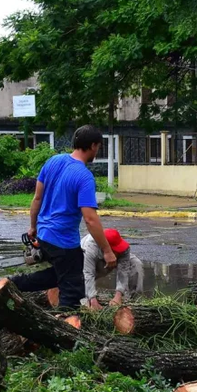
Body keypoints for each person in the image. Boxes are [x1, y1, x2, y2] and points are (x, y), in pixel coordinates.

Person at [9, 125, 117, 309]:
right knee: (73, 289)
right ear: (92, 146)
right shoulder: (84, 177)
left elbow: (37, 198)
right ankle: (66, 323)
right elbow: (90, 219)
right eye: (98, 146)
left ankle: (14, 284)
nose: (97, 151)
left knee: (63, 274)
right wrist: (107, 251)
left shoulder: (53, 161)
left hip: (44, 235)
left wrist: (33, 227)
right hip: (63, 241)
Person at [81, 228, 144, 309]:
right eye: (116, 250)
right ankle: (86, 299)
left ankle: (133, 301)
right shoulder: (89, 248)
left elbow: (123, 271)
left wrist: (118, 295)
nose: (119, 252)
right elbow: (88, 274)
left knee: (135, 263)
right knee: (82, 285)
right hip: (88, 263)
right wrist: (92, 299)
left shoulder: (123, 248)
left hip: (106, 255)